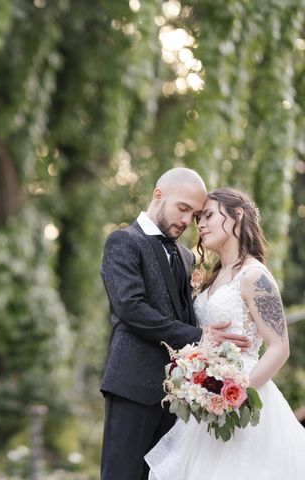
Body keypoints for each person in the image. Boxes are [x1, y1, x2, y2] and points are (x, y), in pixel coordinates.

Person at [99, 170, 250, 480]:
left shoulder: (184, 255)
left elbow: (185, 313)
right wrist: (198, 335)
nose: (187, 221)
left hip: (179, 396)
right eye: (183, 208)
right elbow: (131, 308)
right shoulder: (124, 241)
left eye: (194, 215)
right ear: (158, 195)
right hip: (132, 385)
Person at [146, 187, 305, 479]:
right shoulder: (213, 277)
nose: (200, 224)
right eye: (198, 219)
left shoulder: (255, 277)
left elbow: (279, 348)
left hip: (243, 400)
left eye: (208, 215)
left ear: (237, 215)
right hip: (207, 401)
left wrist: (237, 396)